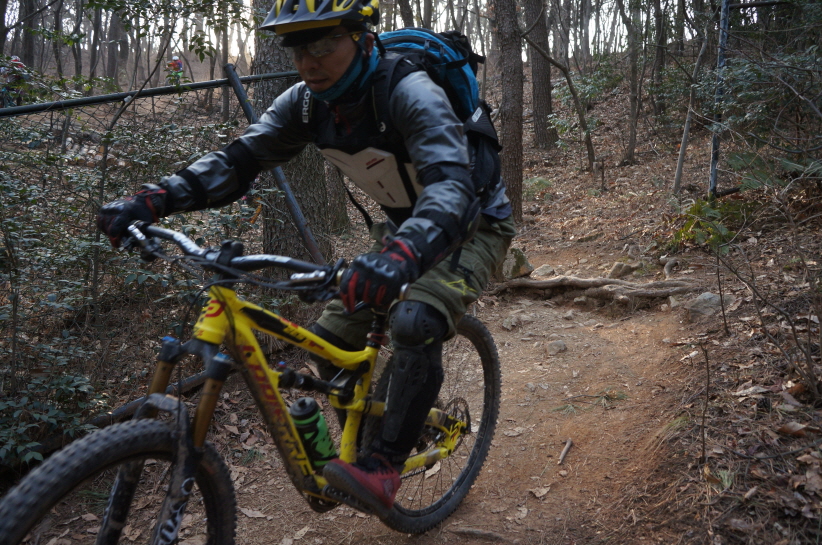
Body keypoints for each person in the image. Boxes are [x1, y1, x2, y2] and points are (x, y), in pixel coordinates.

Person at [97, 0, 514, 517]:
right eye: (297, 48)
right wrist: (155, 198)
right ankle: (368, 437)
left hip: (473, 221)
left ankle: (383, 465)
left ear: (362, 39)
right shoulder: (305, 104)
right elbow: (238, 160)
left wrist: (403, 255)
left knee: (416, 320)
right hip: (406, 228)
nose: (309, 61)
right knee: (332, 337)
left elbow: (452, 187)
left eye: (323, 44)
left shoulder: (410, 92)